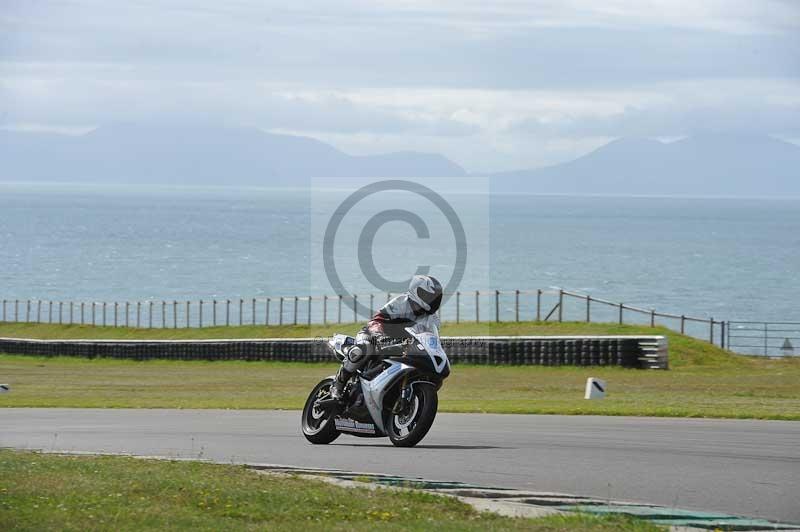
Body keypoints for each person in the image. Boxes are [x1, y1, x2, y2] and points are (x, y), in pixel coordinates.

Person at [330, 274, 443, 401]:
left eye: (435, 298)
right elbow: (377, 320)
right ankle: (338, 385)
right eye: (429, 296)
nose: (432, 300)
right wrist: (378, 335)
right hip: (374, 335)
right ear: (417, 291)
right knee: (364, 348)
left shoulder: (433, 319)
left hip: (402, 345)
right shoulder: (402, 302)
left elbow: (431, 340)